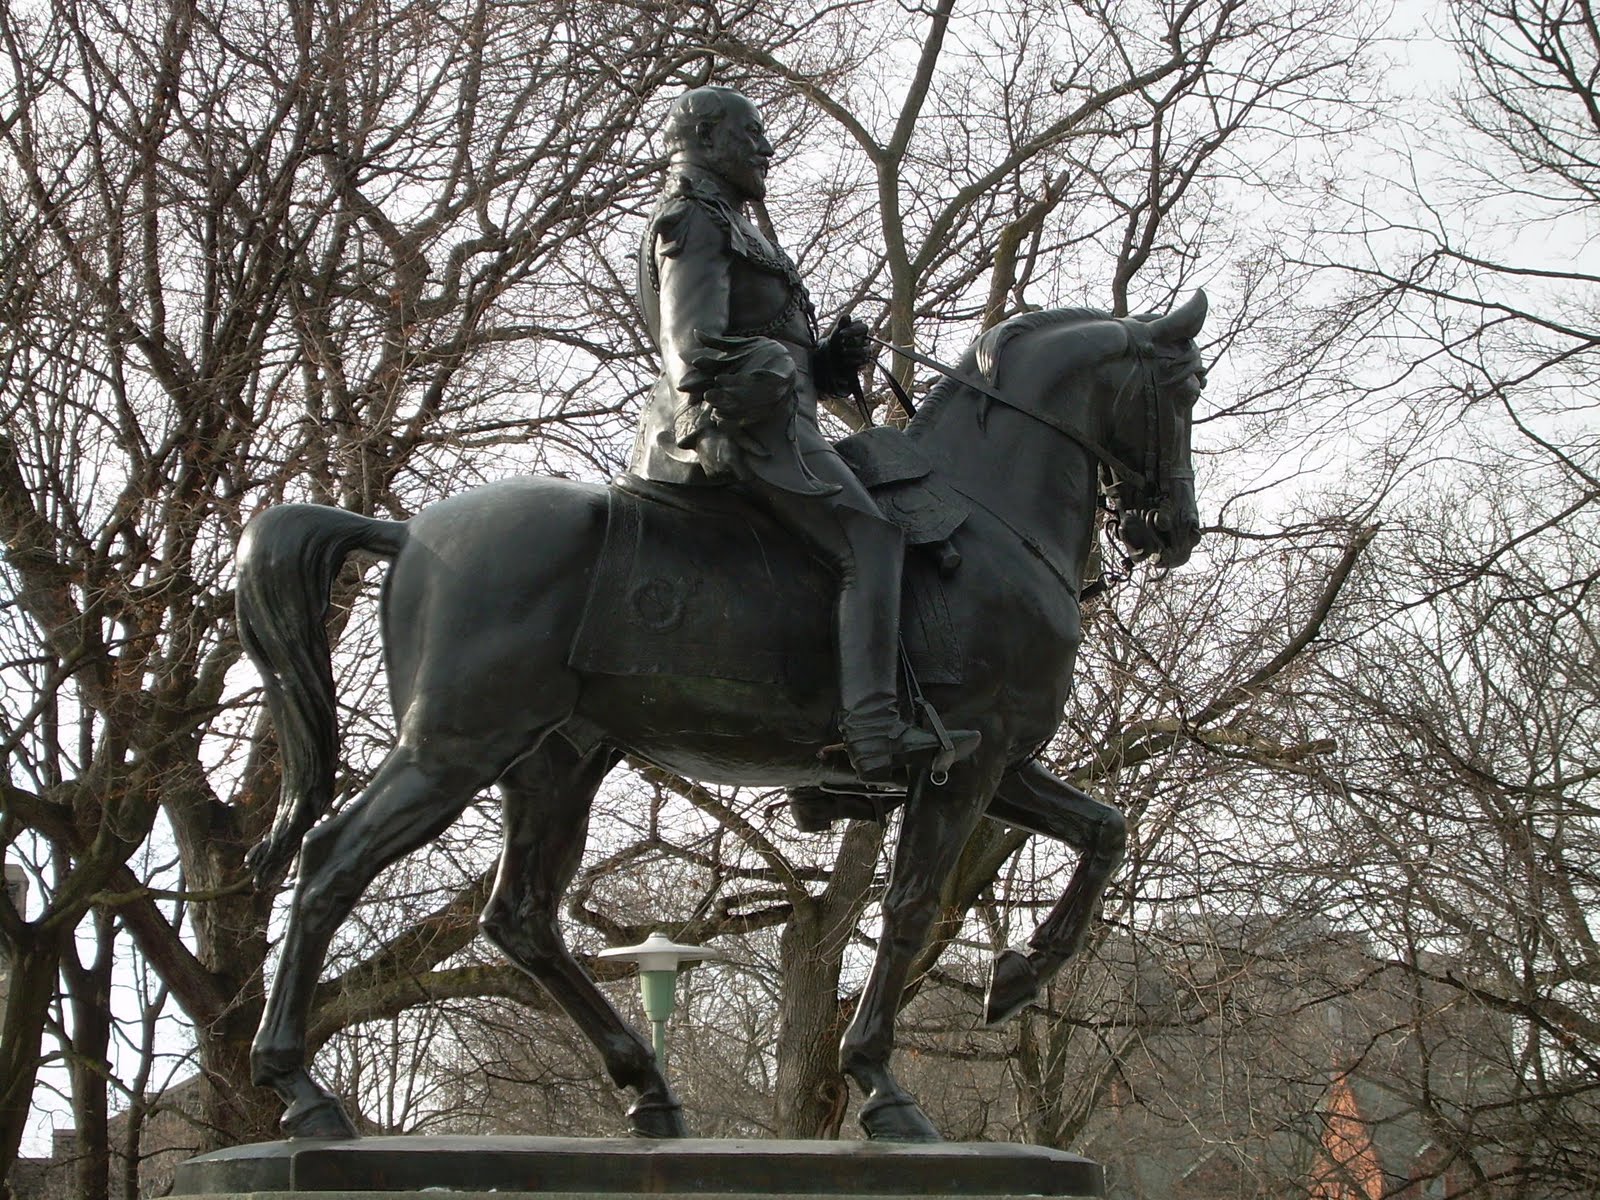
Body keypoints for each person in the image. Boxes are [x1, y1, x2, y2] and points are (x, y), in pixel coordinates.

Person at [630, 85, 976, 781]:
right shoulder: (691, 218)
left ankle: (822, 762)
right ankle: (875, 733)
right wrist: (776, 371)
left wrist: (825, 364)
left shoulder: (729, 219)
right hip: (737, 430)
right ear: (705, 136)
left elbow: (768, 350)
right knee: (870, 540)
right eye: (751, 134)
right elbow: (691, 349)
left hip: (777, 423)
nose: (768, 148)